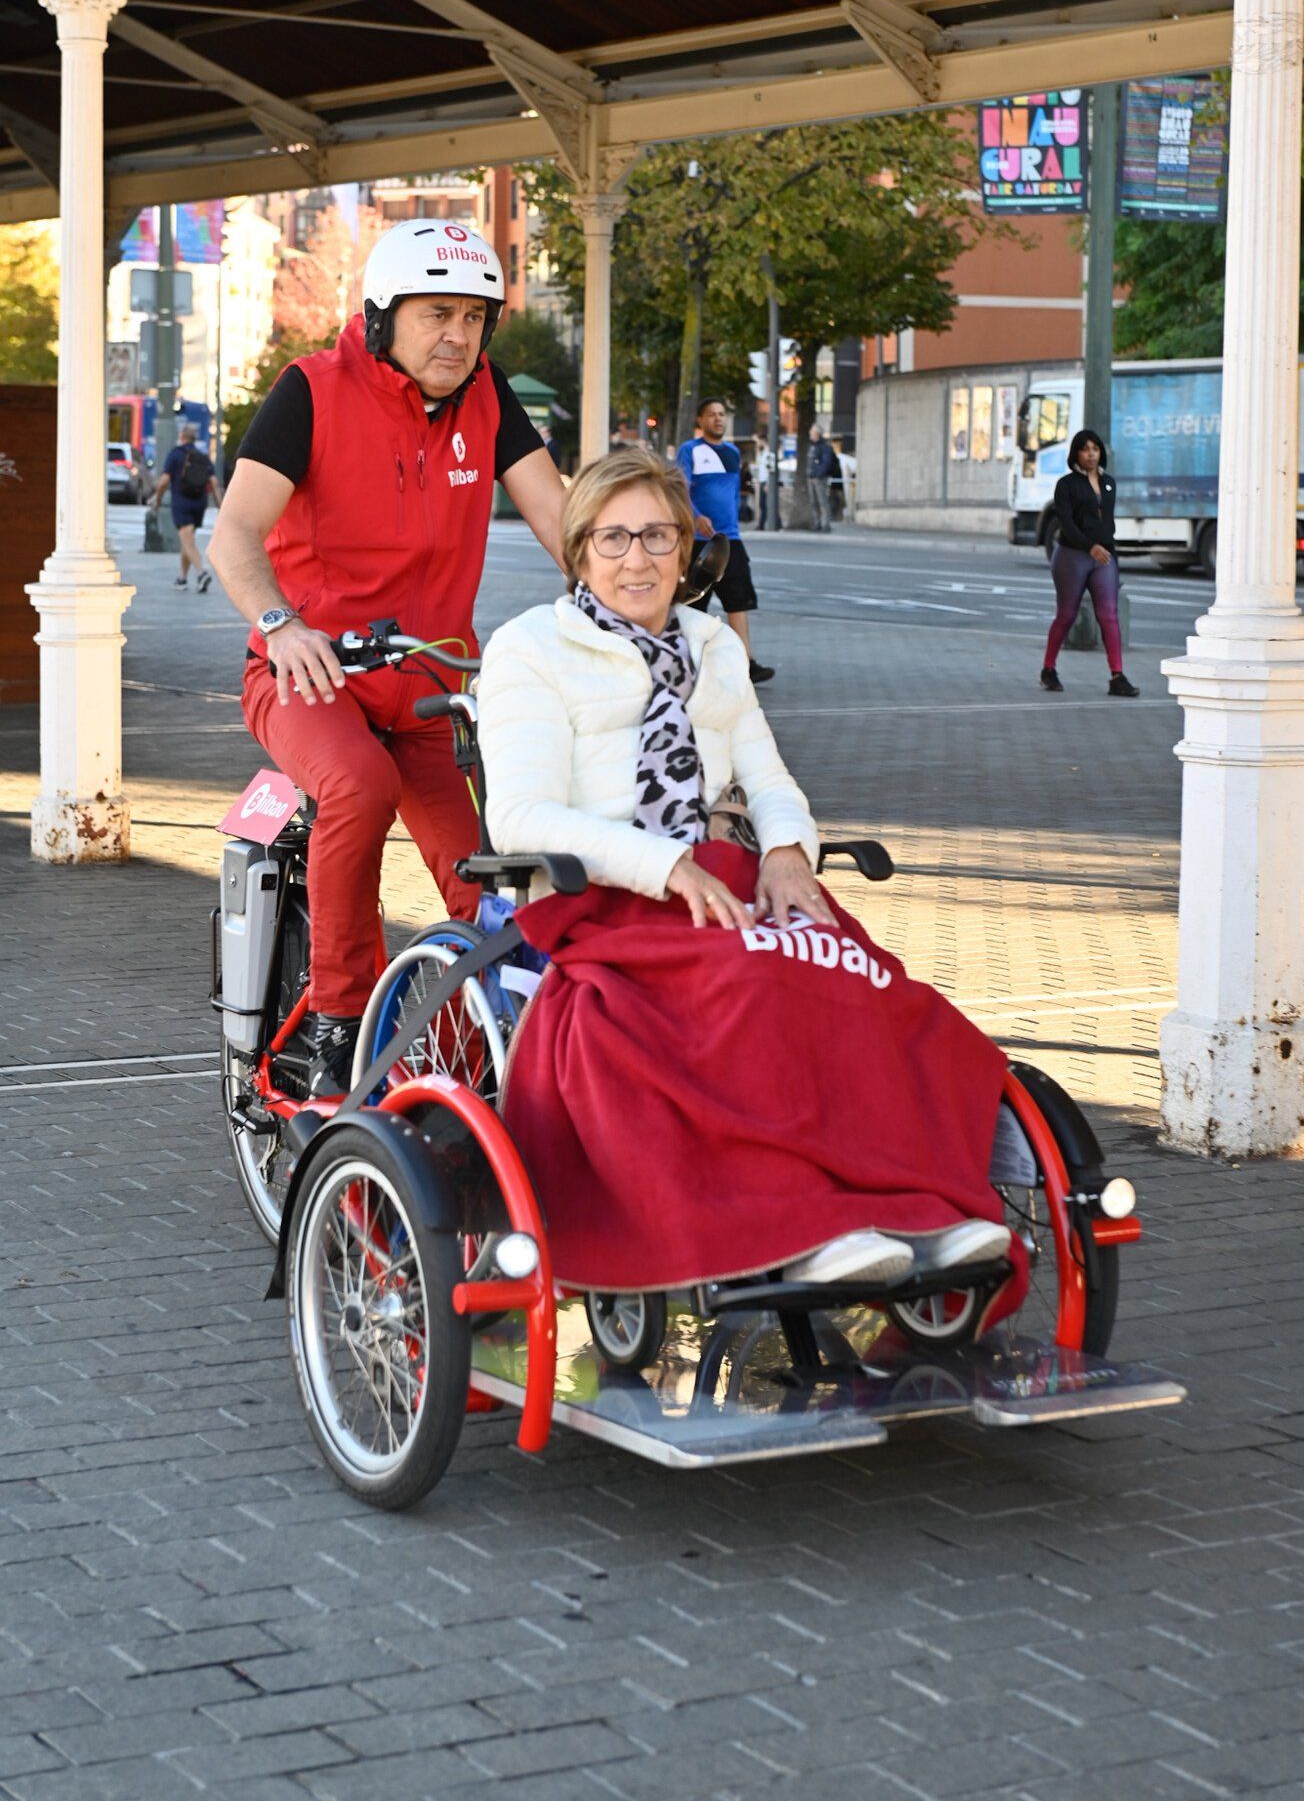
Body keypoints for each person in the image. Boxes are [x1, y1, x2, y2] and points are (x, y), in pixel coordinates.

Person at [476, 447, 1014, 1298]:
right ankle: (805, 1225)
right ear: (578, 550)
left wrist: (789, 851)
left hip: (725, 876)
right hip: (601, 896)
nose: (637, 559)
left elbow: (764, 775)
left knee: (871, 985)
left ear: (686, 551)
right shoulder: (531, 648)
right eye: (613, 539)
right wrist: (669, 866)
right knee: (750, 982)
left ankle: (922, 1204)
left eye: (657, 536)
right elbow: (522, 818)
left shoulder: (713, 646)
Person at [208, 220, 567, 1094]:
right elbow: (235, 536)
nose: (459, 335)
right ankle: (337, 1017)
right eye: (437, 313)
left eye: (475, 318)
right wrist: (282, 623)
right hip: (309, 672)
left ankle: (469, 1059)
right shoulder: (312, 391)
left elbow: (561, 518)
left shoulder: (486, 396)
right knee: (356, 788)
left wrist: (633, 600)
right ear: (382, 316)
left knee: (492, 871)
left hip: (431, 682)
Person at [677, 396, 775, 684]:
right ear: (701, 420)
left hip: (730, 538)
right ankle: (689, 661)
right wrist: (696, 516)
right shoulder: (690, 450)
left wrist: (733, 523)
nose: (718, 419)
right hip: (697, 540)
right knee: (694, 604)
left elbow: (732, 494)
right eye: (712, 414)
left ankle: (745, 662)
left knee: (738, 602)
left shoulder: (732, 452)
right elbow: (680, 488)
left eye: (722, 414)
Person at [1040, 429, 1139, 697]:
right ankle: (1048, 668)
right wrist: (1089, 547)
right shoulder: (1066, 484)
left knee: (1108, 615)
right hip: (1073, 556)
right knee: (1067, 615)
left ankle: (1117, 676)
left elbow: (1107, 524)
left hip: (1103, 556)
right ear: (1076, 454)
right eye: (1086, 449)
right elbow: (1067, 524)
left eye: (1095, 448)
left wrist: (1109, 552)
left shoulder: (1109, 483)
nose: (1091, 453)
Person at [152, 424, 217, 592]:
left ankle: (202, 573)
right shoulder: (202, 456)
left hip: (182, 502)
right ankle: (182, 578)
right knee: (187, 541)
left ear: (182, 436)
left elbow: (164, 482)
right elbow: (215, 483)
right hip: (199, 502)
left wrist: (157, 499)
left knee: (188, 541)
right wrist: (221, 506)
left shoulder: (175, 454)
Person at [807, 424, 837, 533]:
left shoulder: (825, 447)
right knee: (813, 502)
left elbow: (826, 463)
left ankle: (826, 525)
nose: (810, 434)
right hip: (811, 478)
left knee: (823, 502)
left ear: (817, 434)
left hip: (820, 479)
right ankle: (817, 523)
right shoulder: (812, 446)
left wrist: (818, 475)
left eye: (812, 432)